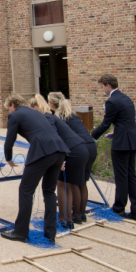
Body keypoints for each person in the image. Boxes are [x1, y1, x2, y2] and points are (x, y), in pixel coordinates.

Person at [0, 93, 69, 243]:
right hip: (59, 150)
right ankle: (50, 232)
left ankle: (20, 232)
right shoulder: (36, 112)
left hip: (42, 151)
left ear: (12, 105)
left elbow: (9, 141)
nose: (9, 112)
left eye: (8, 108)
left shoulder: (15, 116)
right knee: (49, 191)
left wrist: (9, 158)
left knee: (26, 190)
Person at [29, 94, 88, 229]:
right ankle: (76, 216)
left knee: (62, 185)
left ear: (36, 108)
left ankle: (64, 219)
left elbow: (54, 137)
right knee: (74, 184)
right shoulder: (53, 116)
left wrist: (62, 159)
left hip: (73, 151)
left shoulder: (47, 118)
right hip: (81, 148)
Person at [91, 74, 136, 221]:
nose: (102, 90)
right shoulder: (126, 98)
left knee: (121, 176)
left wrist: (90, 137)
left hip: (122, 144)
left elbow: (105, 124)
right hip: (132, 140)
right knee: (131, 175)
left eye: (102, 86)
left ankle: (119, 209)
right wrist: (116, 132)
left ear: (108, 85)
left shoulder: (112, 101)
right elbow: (126, 121)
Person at [49, 92, 97, 223]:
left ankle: (73, 215)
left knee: (71, 183)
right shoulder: (72, 115)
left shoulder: (60, 118)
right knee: (81, 182)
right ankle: (81, 213)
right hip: (90, 146)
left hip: (77, 147)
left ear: (52, 104)